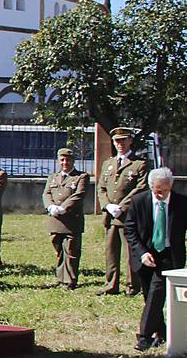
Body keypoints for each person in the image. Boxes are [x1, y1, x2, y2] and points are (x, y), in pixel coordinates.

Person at [124, 167, 187, 351]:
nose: (160, 195)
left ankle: (144, 337)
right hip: (145, 254)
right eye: (156, 191)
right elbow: (130, 229)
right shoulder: (139, 201)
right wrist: (142, 253)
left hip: (169, 255)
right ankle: (162, 333)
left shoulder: (181, 203)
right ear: (151, 186)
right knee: (150, 297)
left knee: (156, 292)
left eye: (164, 191)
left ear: (171, 186)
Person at [97, 126, 150, 296]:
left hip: (128, 215)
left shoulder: (139, 164)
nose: (119, 144)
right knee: (110, 252)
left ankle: (132, 286)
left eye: (123, 140)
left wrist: (122, 207)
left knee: (130, 252)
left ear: (130, 141)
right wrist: (107, 206)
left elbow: (141, 188)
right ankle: (110, 284)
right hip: (111, 215)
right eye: (116, 141)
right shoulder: (108, 163)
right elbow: (101, 188)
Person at [44, 147, 89, 289]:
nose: (65, 162)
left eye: (68, 160)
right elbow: (46, 193)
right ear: (58, 161)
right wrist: (50, 206)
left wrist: (63, 208)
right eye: (62, 160)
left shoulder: (81, 177)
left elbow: (79, 194)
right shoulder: (53, 177)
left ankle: (70, 279)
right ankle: (59, 277)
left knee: (71, 250)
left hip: (71, 220)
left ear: (73, 161)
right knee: (58, 249)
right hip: (55, 219)